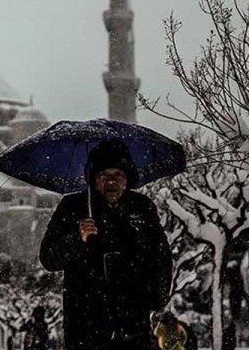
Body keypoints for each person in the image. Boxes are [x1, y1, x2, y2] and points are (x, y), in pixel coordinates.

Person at [39, 139, 173, 350]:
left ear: (127, 179)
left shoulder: (141, 208)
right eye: (104, 176)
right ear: (93, 179)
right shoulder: (74, 207)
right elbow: (48, 258)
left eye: (117, 175)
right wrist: (77, 238)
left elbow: (161, 256)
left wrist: (155, 298)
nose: (111, 182)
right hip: (85, 325)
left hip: (133, 323)